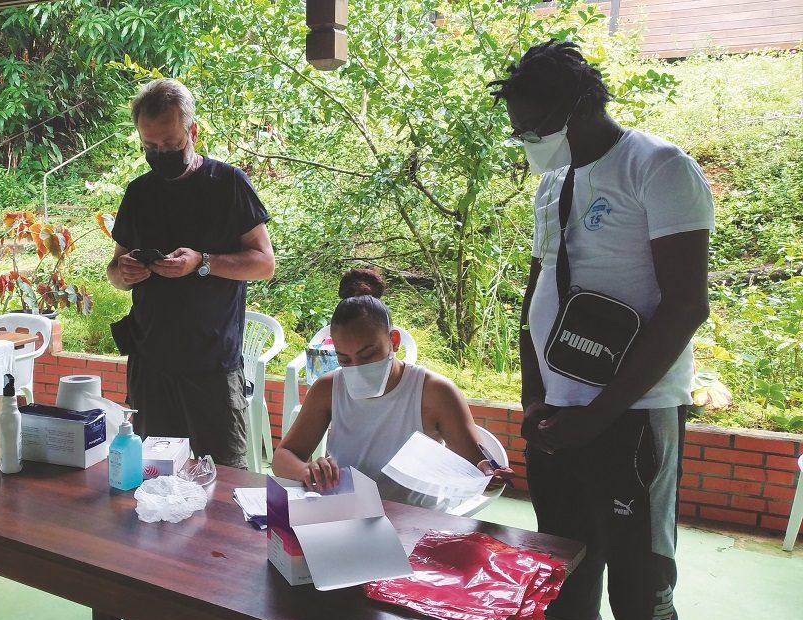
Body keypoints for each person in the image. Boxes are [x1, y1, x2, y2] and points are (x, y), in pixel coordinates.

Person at [490, 41, 712, 620]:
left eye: (536, 127)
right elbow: (538, 293)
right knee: (563, 577)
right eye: (520, 130)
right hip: (560, 414)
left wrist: (600, 416)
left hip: (634, 415)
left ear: (583, 104)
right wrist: (534, 396)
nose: (529, 140)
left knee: (640, 585)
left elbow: (685, 304)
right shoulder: (556, 182)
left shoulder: (659, 167)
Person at [107, 78, 275, 469]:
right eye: (150, 147)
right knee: (152, 473)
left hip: (211, 364)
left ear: (192, 131)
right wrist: (125, 271)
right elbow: (114, 271)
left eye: (170, 144)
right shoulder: (139, 193)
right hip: (150, 361)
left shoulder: (228, 185)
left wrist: (203, 262)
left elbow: (265, 263)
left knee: (225, 481)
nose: (161, 153)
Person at [272, 269, 511, 506]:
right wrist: (307, 471)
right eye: (344, 359)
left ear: (394, 341)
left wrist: (488, 477)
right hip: (346, 513)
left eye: (368, 355)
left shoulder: (434, 392)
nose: (356, 367)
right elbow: (283, 457)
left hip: (416, 523)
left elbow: (479, 467)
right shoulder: (329, 388)